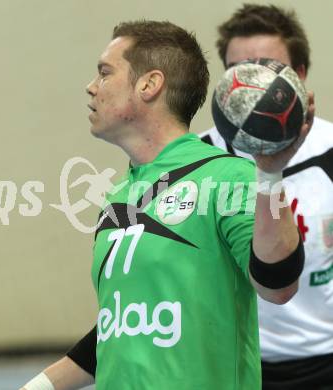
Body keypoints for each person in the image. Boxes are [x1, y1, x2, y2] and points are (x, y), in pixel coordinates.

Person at [20, 19, 312, 390]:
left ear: (149, 85)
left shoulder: (226, 177)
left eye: (105, 73)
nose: (91, 87)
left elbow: (278, 287)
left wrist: (269, 175)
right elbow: (117, 332)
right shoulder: (118, 196)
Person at [200, 4, 333, 389]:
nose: (252, 84)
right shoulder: (200, 159)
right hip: (234, 363)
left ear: (301, 76)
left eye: (266, 68)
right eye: (238, 72)